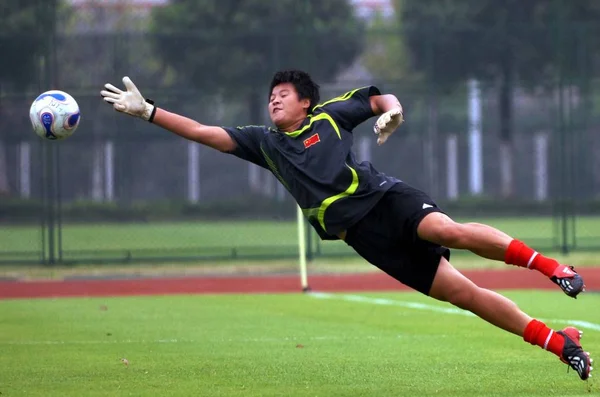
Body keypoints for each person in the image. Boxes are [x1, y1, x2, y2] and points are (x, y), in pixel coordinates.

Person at [100, 70, 592, 380]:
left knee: (449, 232)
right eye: (270, 95)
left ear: (305, 103)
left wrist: (392, 113)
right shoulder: (265, 143)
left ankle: (554, 268)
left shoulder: (331, 116)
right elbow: (205, 133)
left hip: (386, 200)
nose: (274, 101)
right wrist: (148, 112)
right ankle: (558, 342)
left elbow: (382, 98)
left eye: (283, 94)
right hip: (364, 237)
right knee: (462, 295)